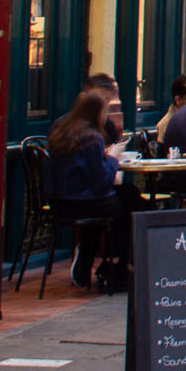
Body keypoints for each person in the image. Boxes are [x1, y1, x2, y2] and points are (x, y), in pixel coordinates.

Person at [47, 85, 134, 289]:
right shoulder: (91, 137)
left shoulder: (62, 131)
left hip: (61, 202)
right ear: (97, 113)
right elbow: (101, 182)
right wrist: (112, 158)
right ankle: (115, 266)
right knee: (128, 209)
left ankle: (89, 257)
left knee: (129, 195)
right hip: (86, 202)